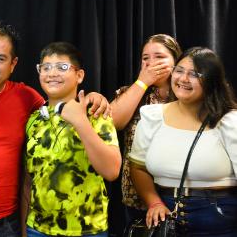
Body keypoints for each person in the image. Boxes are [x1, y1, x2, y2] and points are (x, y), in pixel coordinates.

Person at [0, 22, 111, 237]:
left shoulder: (26, 98)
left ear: (13, 64)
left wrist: (96, 98)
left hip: (10, 223)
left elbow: (60, 106)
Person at [129, 47, 237, 236]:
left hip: (218, 216)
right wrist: (154, 203)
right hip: (166, 217)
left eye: (194, 74)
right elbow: (138, 168)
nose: (183, 79)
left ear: (211, 80)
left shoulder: (229, 121)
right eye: (179, 71)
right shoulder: (153, 116)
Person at [22, 42, 122, 237]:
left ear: (79, 75)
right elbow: (28, 180)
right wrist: (25, 229)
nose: (52, 73)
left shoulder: (96, 114)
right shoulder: (34, 119)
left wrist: (80, 121)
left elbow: (111, 171)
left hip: (87, 230)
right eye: (46, 67)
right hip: (38, 229)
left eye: (62, 67)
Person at [110, 34, 182, 225]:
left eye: (159, 57)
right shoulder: (129, 92)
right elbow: (114, 122)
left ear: (176, 61)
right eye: (145, 58)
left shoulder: (188, 94)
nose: (151, 63)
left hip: (179, 195)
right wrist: (143, 82)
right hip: (136, 198)